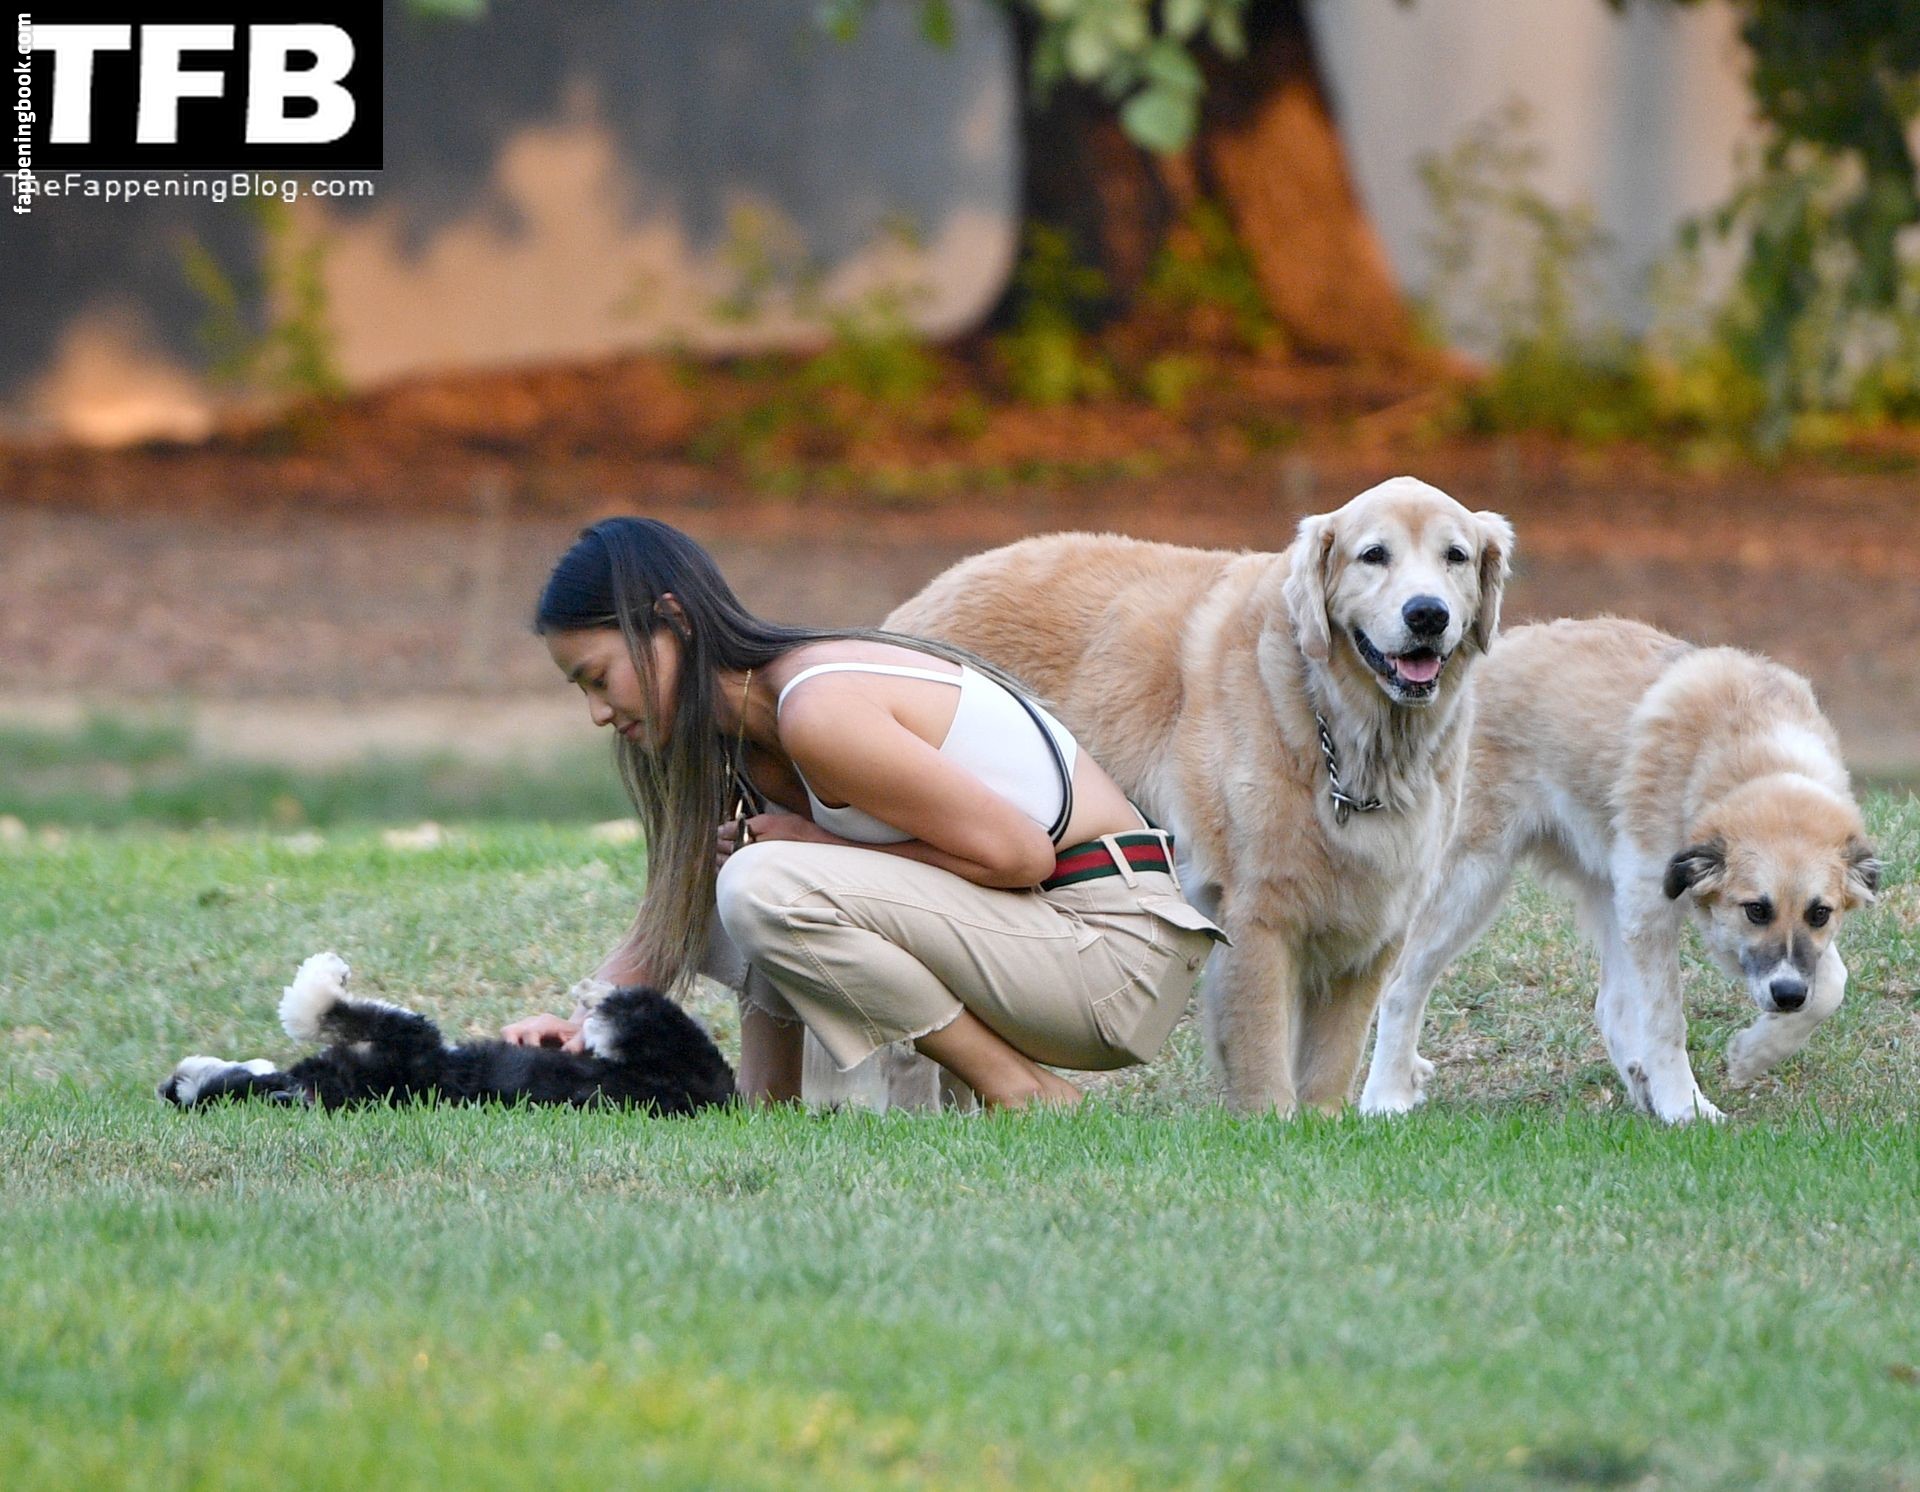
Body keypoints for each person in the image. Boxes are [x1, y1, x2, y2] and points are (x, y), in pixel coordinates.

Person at [501, 518, 1225, 1108]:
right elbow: (680, 904)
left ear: (674, 622)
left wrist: (813, 842)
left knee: (764, 878)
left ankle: (1021, 1090)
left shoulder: (818, 708)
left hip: (1112, 955)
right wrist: (586, 1019)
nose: (598, 713)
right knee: (738, 867)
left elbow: (1021, 856)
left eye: (599, 678)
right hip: (1039, 943)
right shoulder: (745, 739)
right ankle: (769, 1105)